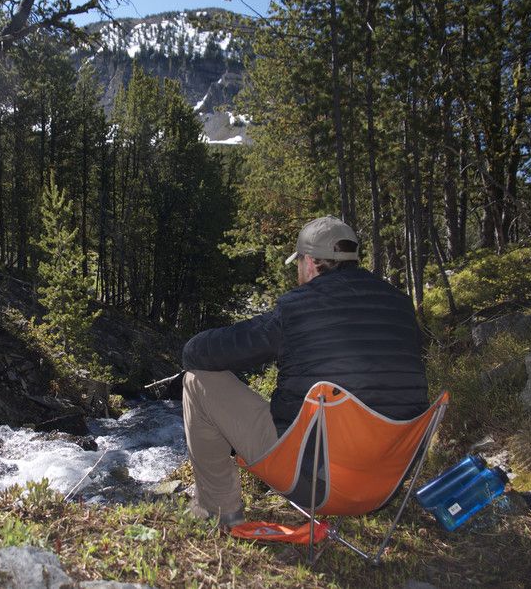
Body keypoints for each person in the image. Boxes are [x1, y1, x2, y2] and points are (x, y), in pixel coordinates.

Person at [180, 215, 429, 528]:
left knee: (197, 380)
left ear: (310, 263)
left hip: (314, 482)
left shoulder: (295, 308)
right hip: (387, 481)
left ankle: (219, 511)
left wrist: (189, 347)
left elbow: (201, 353)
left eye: (298, 263)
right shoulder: (401, 306)